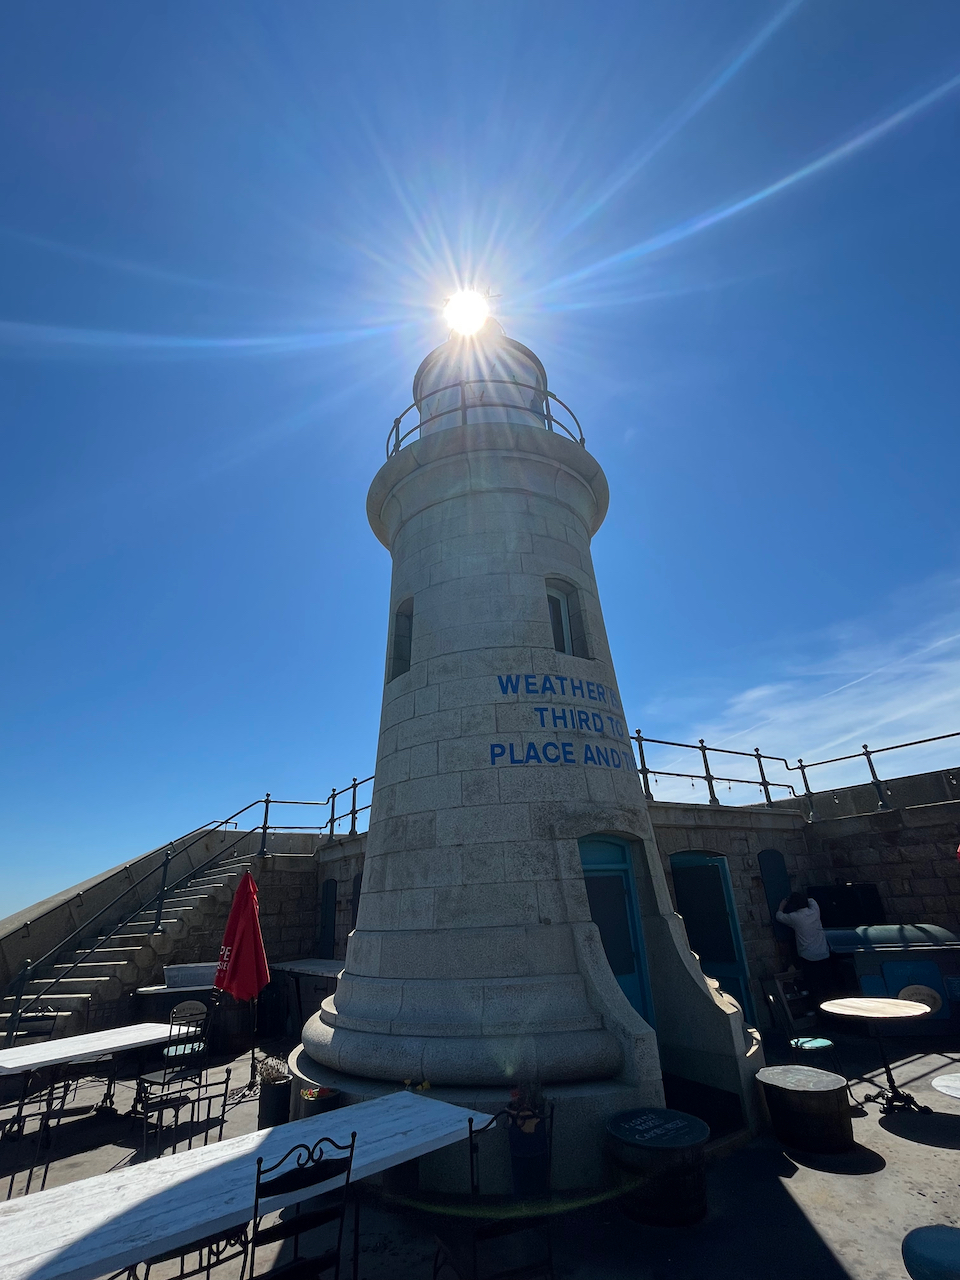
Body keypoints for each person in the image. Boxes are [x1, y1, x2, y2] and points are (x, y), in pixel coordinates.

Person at [776, 892, 835, 1003]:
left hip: (809, 957)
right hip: (823, 953)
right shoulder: (815, 911)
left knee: (815, 988)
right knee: (828, 986)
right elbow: (812, 900)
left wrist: (782, 905)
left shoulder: (795, 917)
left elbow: (779, 916)